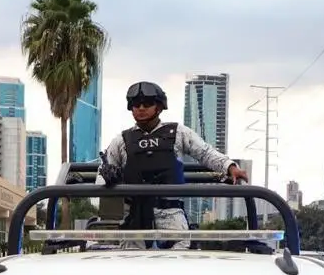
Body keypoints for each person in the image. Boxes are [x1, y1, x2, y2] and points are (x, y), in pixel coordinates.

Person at [98, 81, 248, 249]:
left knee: (178, 264)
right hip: (134, 216)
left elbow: (205, 152)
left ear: (159, 107)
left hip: (171, 214)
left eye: (147, 103)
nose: (141, 108)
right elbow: (101, 176)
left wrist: (230, 167)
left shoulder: (178, 132)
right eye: (136, 104)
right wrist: (108, 177)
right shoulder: (121, 140)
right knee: (131, 268)